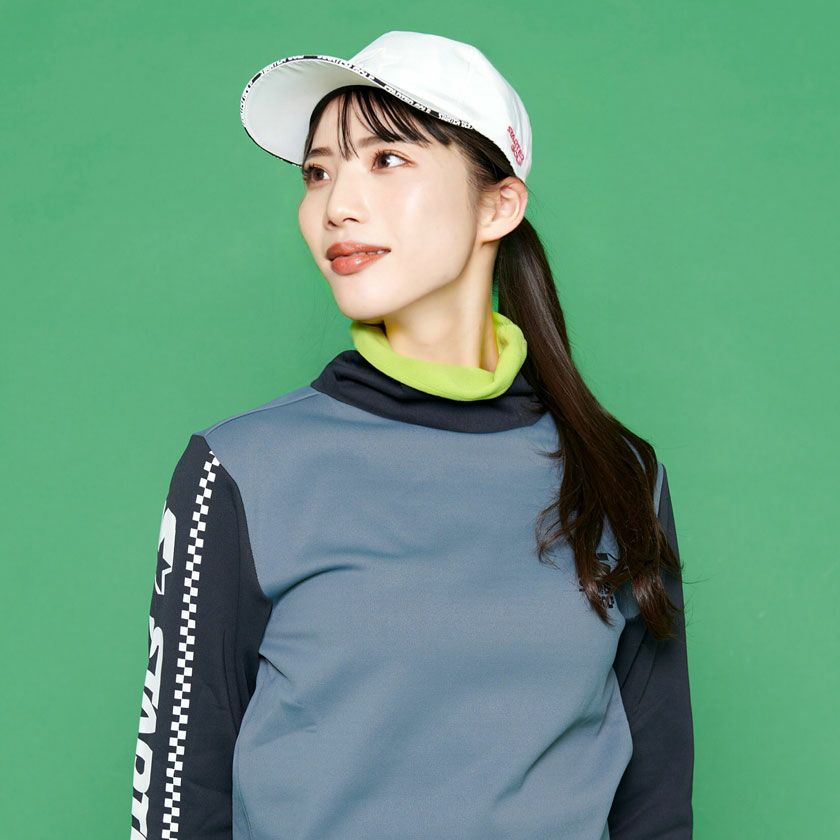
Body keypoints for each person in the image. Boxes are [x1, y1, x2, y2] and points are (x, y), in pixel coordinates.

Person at [129, 30, 694, 840]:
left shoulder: (619, 473)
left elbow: (657, 806)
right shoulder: (242, 470)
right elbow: (178, 808)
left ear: (498, 205)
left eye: (387, 159)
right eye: (318, 172)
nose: (337, 205)